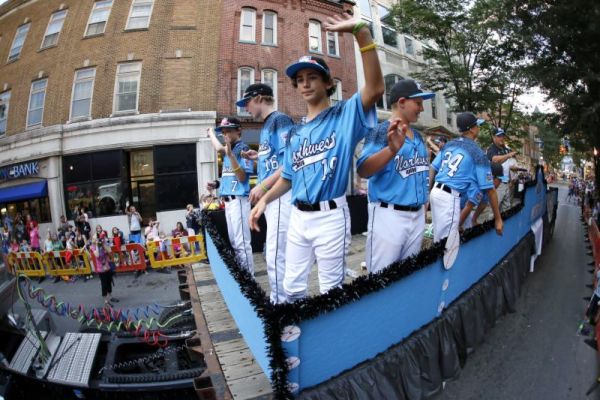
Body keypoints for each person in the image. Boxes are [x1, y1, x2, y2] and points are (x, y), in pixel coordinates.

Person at [249, 12, 384, 300]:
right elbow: (287, 177)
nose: (306, 83)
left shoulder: (344, 115)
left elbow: (375, 89)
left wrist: (361, 33)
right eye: (300, 79)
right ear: (296, 87)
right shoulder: (296, 132)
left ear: (327, 83)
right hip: (298, 216)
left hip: (330, 216)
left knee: (330, 291)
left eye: (313, 77)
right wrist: (264, 198)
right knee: (292, 288)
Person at [357, 79, 434, 274]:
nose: (422, 108)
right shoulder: (382, 131)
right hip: (388, 215)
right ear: (401, 102)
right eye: (418, 103)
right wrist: (391, 149)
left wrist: (423, 203)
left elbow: (420, 172)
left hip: (416, 215)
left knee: (407, 274)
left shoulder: (417, 136)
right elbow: (363, 170)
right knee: (381, 277)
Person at [237, 83, 295, 303]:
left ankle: (281, 304)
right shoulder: (269, 124)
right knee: (275, 253)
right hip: (273, 197)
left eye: (247, 103)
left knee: (276, 254)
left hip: (280, 195)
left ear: (260, 98)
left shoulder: (280, 119)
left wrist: (262, 186)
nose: (246, 108)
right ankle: (285, 301)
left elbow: (291, 161)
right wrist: (258, 156)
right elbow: (276, 159)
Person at [429, 112, 503, 241]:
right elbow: (490, 190)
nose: (478, 128)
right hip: (450, 196)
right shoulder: (477, 152)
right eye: (477, 126)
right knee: (447, 243)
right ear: (472, 129)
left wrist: (428, 191)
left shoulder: (450, 144)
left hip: (436, 192)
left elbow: (433, 168)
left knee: (440, 239)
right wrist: (498, 219)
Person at [207, 117, 255, 274]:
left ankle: (250, 281)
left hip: (239, 201)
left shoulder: (243, 149)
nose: (225, 133)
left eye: (228, 130)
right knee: (235, 243)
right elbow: (230, 177)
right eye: (223, 131)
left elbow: (242, 178)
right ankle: (244, 278)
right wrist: (217, 183)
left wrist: (231, 155)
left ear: (238, 130)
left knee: (242, 244)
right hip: (229, 202)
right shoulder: (229, 150)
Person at [460, 162, 505, 230]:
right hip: (455, 206)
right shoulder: (480, 186)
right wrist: (458, 226)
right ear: (492, 177)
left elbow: (483, 204)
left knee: (469, 225)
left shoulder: (488, 189)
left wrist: (474, 220)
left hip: (465, 208)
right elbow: (468, 206)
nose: (501, 182)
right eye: (499, 180)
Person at [486, 127, 519, 210]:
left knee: (507, 209)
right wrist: (508, 155)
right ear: (494, 137)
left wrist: (514, 171)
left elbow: (507, 164)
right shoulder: (491, 148)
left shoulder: (505, 149)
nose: (502, 138)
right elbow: (495, 160)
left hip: (506, 183)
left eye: (503, 136)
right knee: (494, 209)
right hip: (497, 183)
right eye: (499, 136)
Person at [90, 234, 118, 306]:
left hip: (107, 266)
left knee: (109, 282)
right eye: (95, 239)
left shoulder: (102, 244)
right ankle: (106, 301)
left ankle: (110, 297)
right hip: (101, 269)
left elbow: (109, 250)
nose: (97, 240)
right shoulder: (92, 247)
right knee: (104, 284)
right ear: (93, 240)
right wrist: (97, 245)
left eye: (97, 238)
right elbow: (97, 255)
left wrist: (103, 244)